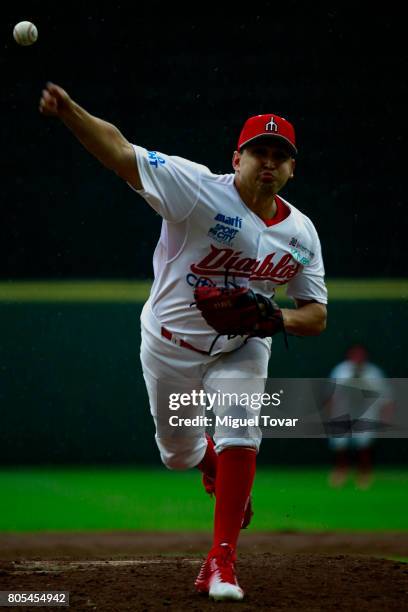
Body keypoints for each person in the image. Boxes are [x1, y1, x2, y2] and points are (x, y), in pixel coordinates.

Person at [39, 83, 328, 602]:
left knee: (242, 422)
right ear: (236, 157)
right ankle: (209, 464)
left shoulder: (302, 234)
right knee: (177, 454)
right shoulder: (195, 189)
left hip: (242, 344)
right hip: (168, 343)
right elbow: (121, 151)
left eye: (280, 155)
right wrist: (69, 113)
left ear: (291, 169)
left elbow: (316, 315)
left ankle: (222, 560)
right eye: (259, 151)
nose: (269, 162)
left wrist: (275, 318)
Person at [327, 344, 392, 490]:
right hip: (343, 412)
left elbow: (385, 397)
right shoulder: (341, 370)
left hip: (366, 412)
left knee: (364, 446)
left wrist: (385, 415)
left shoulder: (374, 373)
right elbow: (332, 394)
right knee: (340, 446)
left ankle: (364, 475)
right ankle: (340, 473)